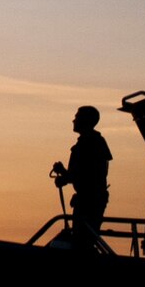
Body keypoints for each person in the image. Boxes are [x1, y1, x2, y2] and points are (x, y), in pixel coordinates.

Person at [49, 105, 111, 252]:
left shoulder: (91, 144)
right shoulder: (91, 142)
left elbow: (88, 175)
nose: (73, 120)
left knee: (83, 243)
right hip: (89, 200)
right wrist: (64, 174)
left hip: (90, 202)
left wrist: (64, 177)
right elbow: (82, 174)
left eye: (77, 117)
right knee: (82, 241)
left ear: (86, 121)